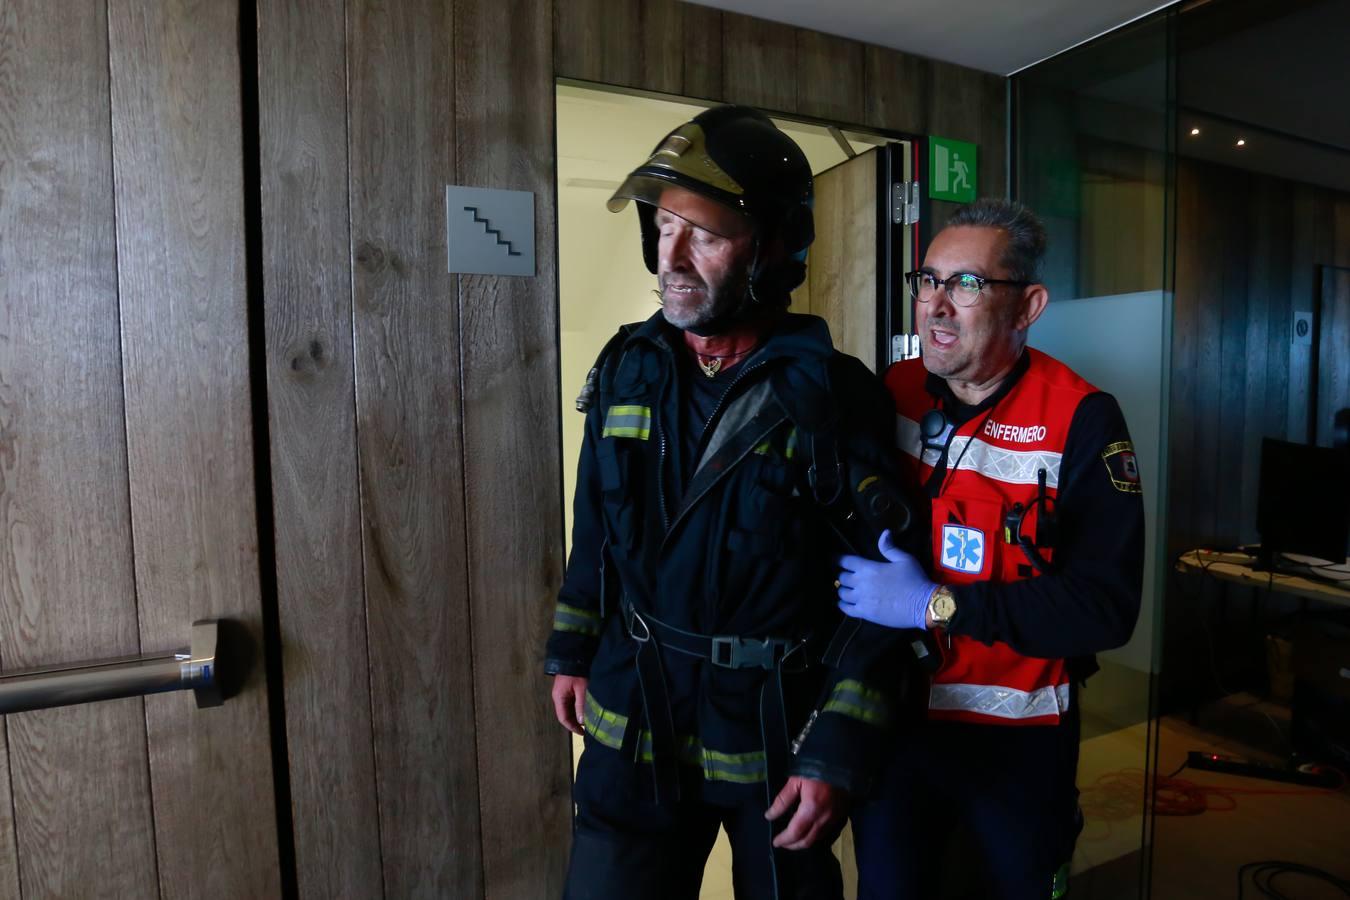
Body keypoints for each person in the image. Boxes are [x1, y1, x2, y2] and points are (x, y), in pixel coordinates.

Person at [545, 105, 909, 900]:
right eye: (663, 227)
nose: (671, 256)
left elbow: (885, 599)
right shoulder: (627, 369)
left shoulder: (833, 396)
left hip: (777, 736)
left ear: (773, 248)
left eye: (703, 234)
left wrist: (839, 746)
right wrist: (571, 650)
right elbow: (597, 529)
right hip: (632, 713)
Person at [836, 199, 1145, 900]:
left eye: (968, 285)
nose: (937, 306)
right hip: (898, 728)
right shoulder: (896, 391)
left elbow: (1105, 608)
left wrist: (934, 604)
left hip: (1017, 747)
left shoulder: (1081, 418)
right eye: (928, 280)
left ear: (1026, 305)